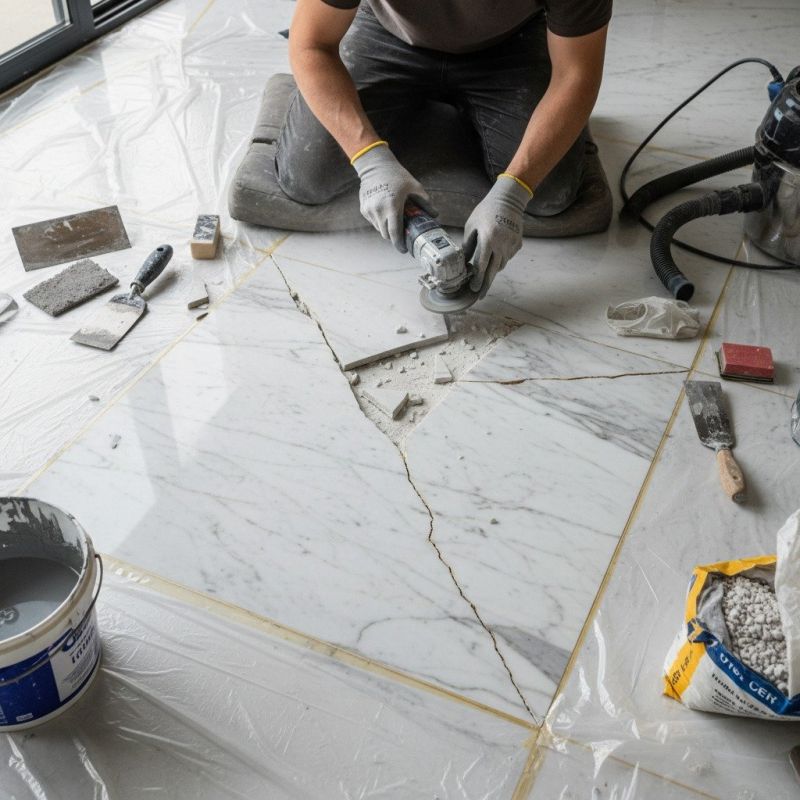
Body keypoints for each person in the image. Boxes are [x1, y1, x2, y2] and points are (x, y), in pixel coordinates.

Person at [276, 0, 611, 298]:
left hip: (511, 45)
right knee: (307, 174)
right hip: (386, 34)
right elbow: (312, 43)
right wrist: (369, 159)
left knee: (549, 192)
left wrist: (514, 191)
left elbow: (576, 73)